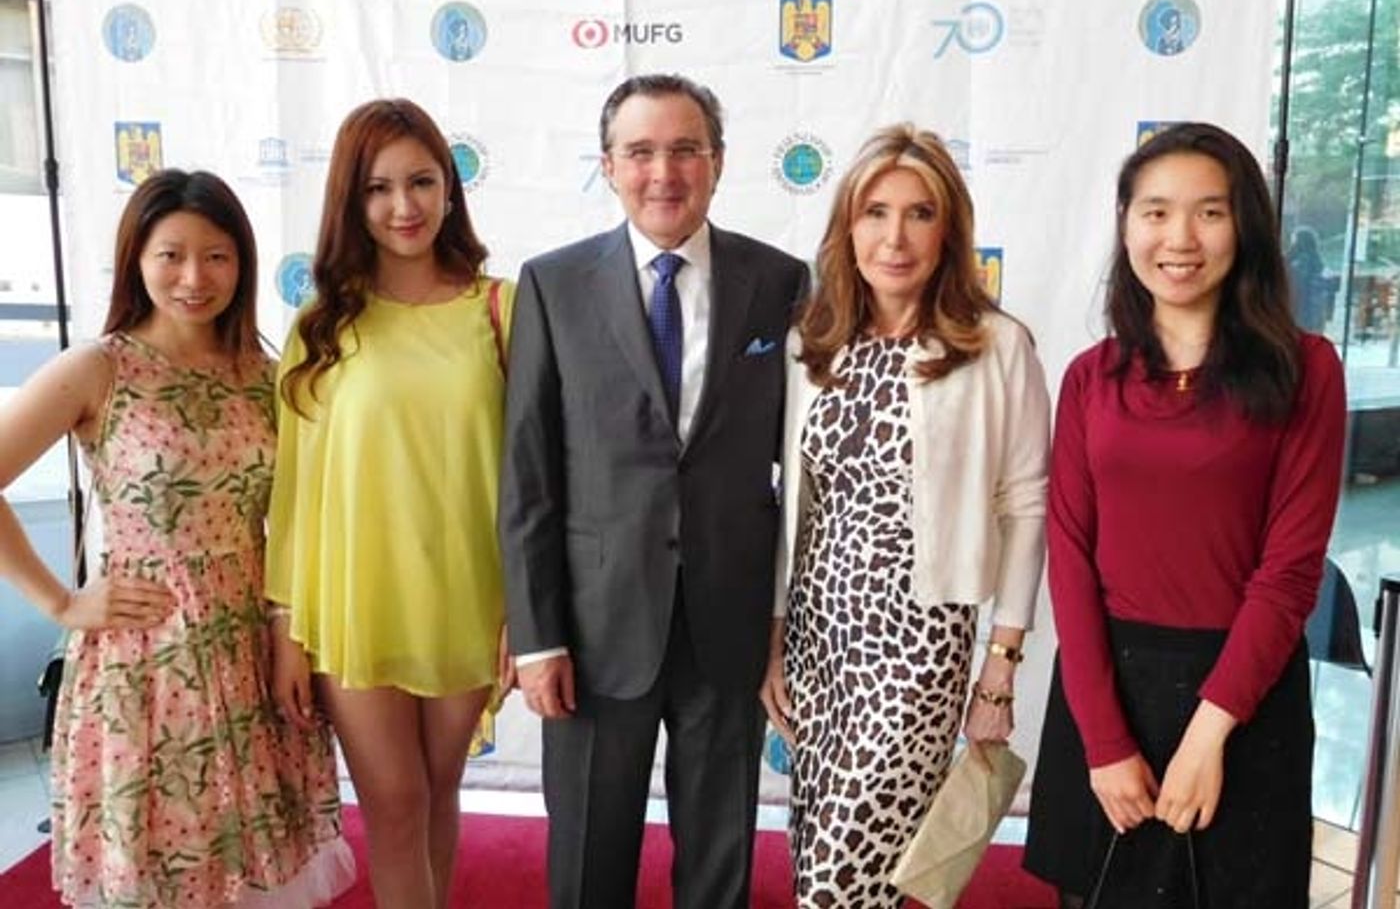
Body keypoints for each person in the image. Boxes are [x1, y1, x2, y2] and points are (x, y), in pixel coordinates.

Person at [498, 73, 810, 909]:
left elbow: (806, 457)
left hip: (729, 623)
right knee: (590, 861)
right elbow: (528, 477)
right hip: (596, 631)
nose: (663, 172)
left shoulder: (780, 283)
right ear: (608, 165)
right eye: (640, 152)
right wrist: (536, 638)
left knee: (720, 861)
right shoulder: (553, 285)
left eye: (685, 150)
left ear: (718, 162)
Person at [0, 169, 352, 907]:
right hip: (146, 660)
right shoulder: (100, 366)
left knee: (252, 861)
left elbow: (293, 522)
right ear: (137, 258)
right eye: (172, 255)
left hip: (251, 648)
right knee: (168, 864)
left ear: (242, 263)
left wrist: (289, 635)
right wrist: (62, 603)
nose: (195, 277)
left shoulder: (266, 376)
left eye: (217, 255)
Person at [1023, 123, 1346, 907]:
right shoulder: (1092, 377)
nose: (1179, 238)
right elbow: (1068, 553)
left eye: (1210, 212)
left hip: (1245, 694)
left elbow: (1290, 570)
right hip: (1107, 692)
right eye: (1156, 212)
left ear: (1247, 227)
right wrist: (1104, 741)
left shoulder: (1306, 369)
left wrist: (1210, 732)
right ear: (1127, 225)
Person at [758, 124, 1051, 907]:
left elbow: (1024, 507)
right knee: (824, 846)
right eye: (874, 213)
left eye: (919, 213)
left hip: (922, 640)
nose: (894, 237)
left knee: (841, 875)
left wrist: (1001, 666)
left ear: (948, 229)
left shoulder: (996, 345)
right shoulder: (811, 344)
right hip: (819, 637)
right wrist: (775, 634)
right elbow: (795, 504)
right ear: (846, 228)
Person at [266, 98, 514, 909]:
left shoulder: (500, 309)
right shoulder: (321, 329)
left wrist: (529, 609)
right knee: (395, 805)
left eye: (420, 181)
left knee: (438, 796)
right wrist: (287, 630)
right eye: (378, 188)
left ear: (450, 188)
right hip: (352, 607)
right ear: (351, 200)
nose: (403, 206)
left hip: (467, 598)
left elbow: (537, 477)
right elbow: (296, 495)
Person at [1287, 226, 1333, 333]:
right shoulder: (1317, 260)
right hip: (1314, 309)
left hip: (1302, 309)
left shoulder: (1301, 262)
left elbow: (1298, 284)